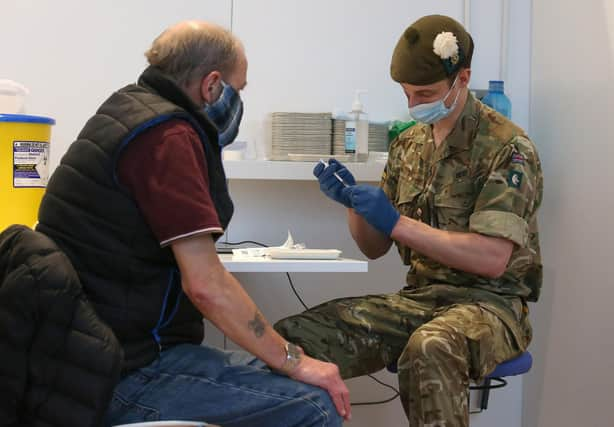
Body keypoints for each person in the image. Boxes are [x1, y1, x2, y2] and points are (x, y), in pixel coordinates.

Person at [36, 21, 349, 427]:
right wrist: (296, 362)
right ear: (212, 85)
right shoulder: (169, 138)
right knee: (314, 405)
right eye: (241, 88)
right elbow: (205, 285)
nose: (240, 100)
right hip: (123, 373)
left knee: (267, 367)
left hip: (82, 361)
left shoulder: (129, 109)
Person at [275, 14, 543, 427]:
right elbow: (375, 246)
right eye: (407, 95)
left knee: (430, 347)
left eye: (426, 93)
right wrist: (354, 205)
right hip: (420, 301)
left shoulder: (507, 147)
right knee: (293, 339)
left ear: (463, 77)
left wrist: (396, 222)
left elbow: (492, 258)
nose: (415, 105)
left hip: (491, 306)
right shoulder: (408, 145)